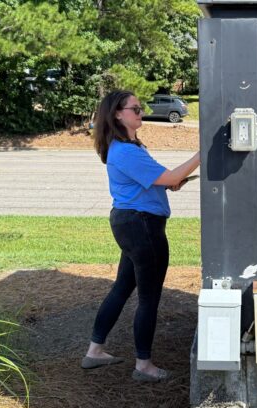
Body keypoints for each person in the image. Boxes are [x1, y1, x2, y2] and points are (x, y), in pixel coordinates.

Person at [81, 90, 200, 382]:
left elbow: (160, 180)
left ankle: (95, 351)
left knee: (122, 288)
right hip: (142, 226)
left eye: (140, 107)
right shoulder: (126, 151)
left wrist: (170, 183)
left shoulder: (126, 147)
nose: (141, 112)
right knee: (148, 298)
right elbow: (170, 176)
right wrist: (204, 153)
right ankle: (143, 366)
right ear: (117, 114)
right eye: (135, 108)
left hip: (132, 223)